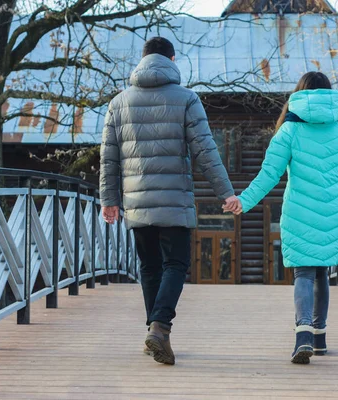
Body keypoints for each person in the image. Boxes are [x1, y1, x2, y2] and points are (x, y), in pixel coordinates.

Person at [100, 37, 236, 366]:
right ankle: (159, 327)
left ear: (142, 60)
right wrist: (226, 192)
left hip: (136, 200)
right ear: (172, 59)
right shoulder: (187, 99)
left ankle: (155, 330)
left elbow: (109, 157)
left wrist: (109, 199)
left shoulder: (118, 102)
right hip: (175, 200)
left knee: (149, 267)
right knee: (175, 265)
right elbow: (205, 151)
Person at [223, 72, 338, 364]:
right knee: (322, 273)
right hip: (333, 211)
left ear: (300, 94)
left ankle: (303, 336)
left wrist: (243, 201)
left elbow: (269, 174)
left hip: (298, 211)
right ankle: (319, 338)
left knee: (304, 274)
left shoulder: (289, 131)